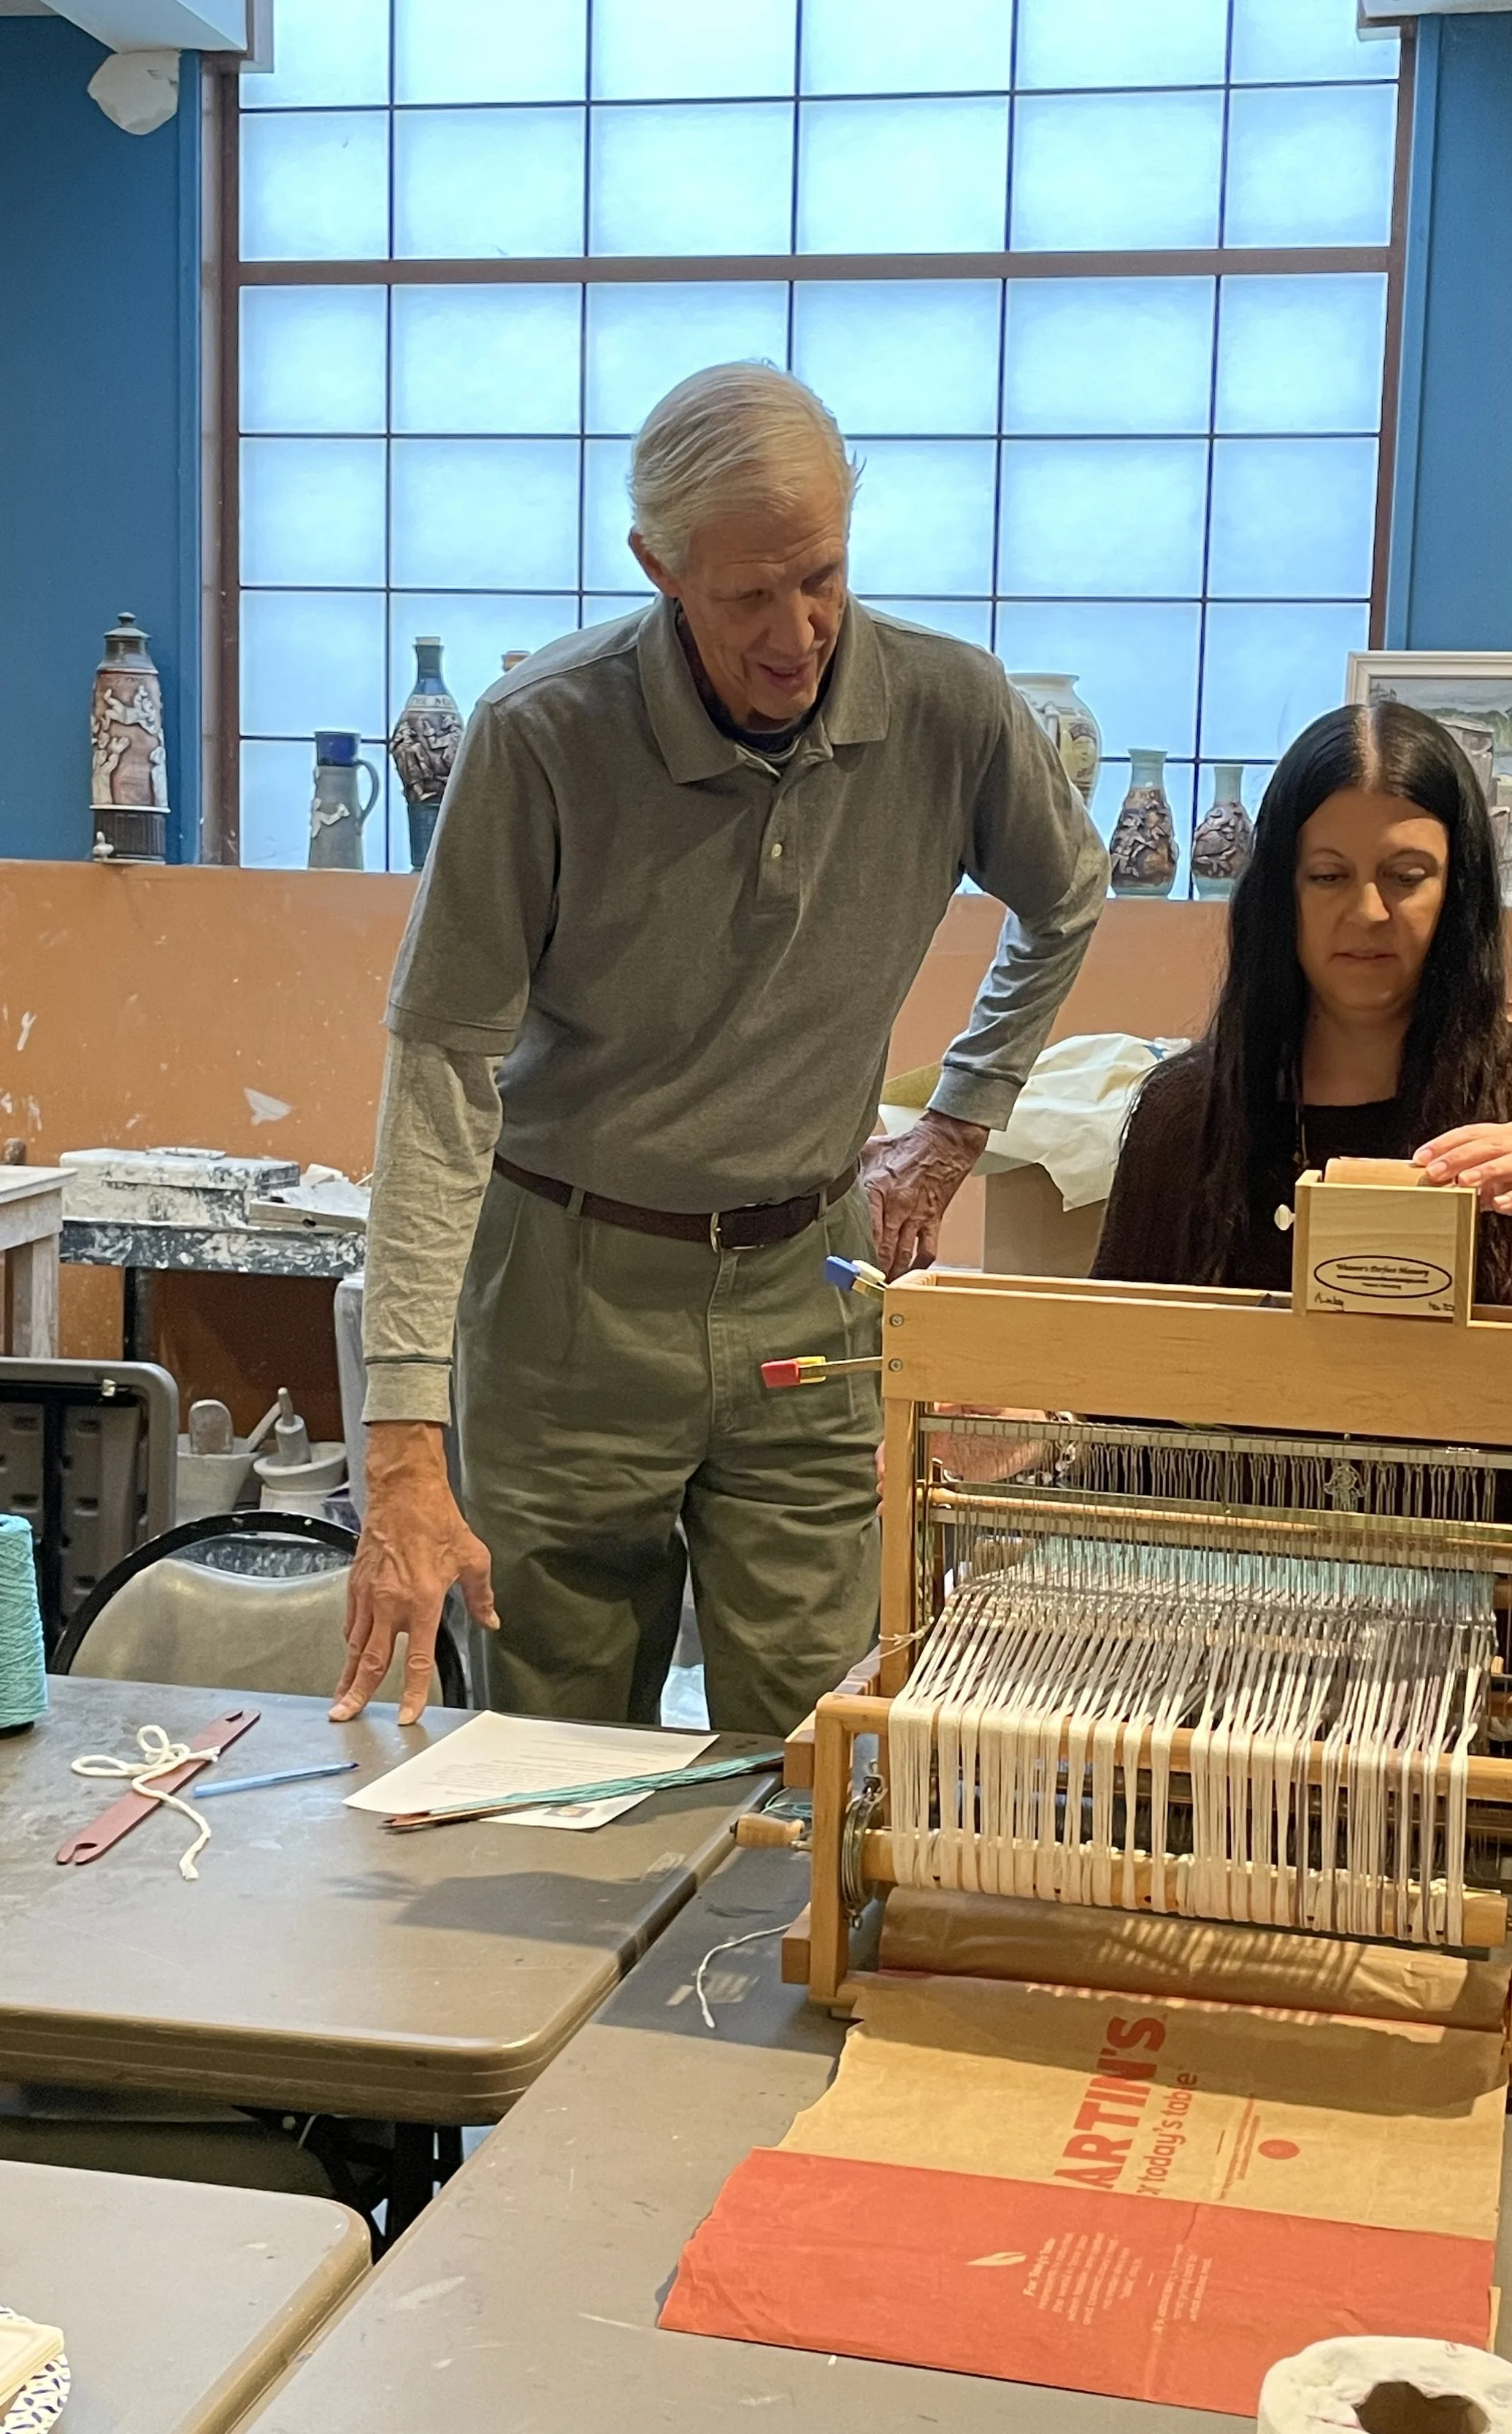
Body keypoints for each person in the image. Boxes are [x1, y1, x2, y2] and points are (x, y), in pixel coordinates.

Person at [332, 362, 1108, 1737]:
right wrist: (402, 1431)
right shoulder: (542, 736)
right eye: (748, 594)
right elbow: (444, 1068)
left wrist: (958, 1122)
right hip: (565, 1293)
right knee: (553, 1749)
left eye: (823, 575)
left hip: (805, 1286)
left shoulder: (950, 706)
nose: (797, 632)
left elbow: (1065, 895)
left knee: (814, 1748)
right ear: (660, 567)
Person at [1093, 700, 1512, 1798]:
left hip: (1486, 1669)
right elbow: (1110, 1388)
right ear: (1277, 891)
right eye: (1326, 873)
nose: (1369, 911)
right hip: (1232, 1664)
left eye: (1408, 873)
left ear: (1462, 889)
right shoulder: (1187, 1114)